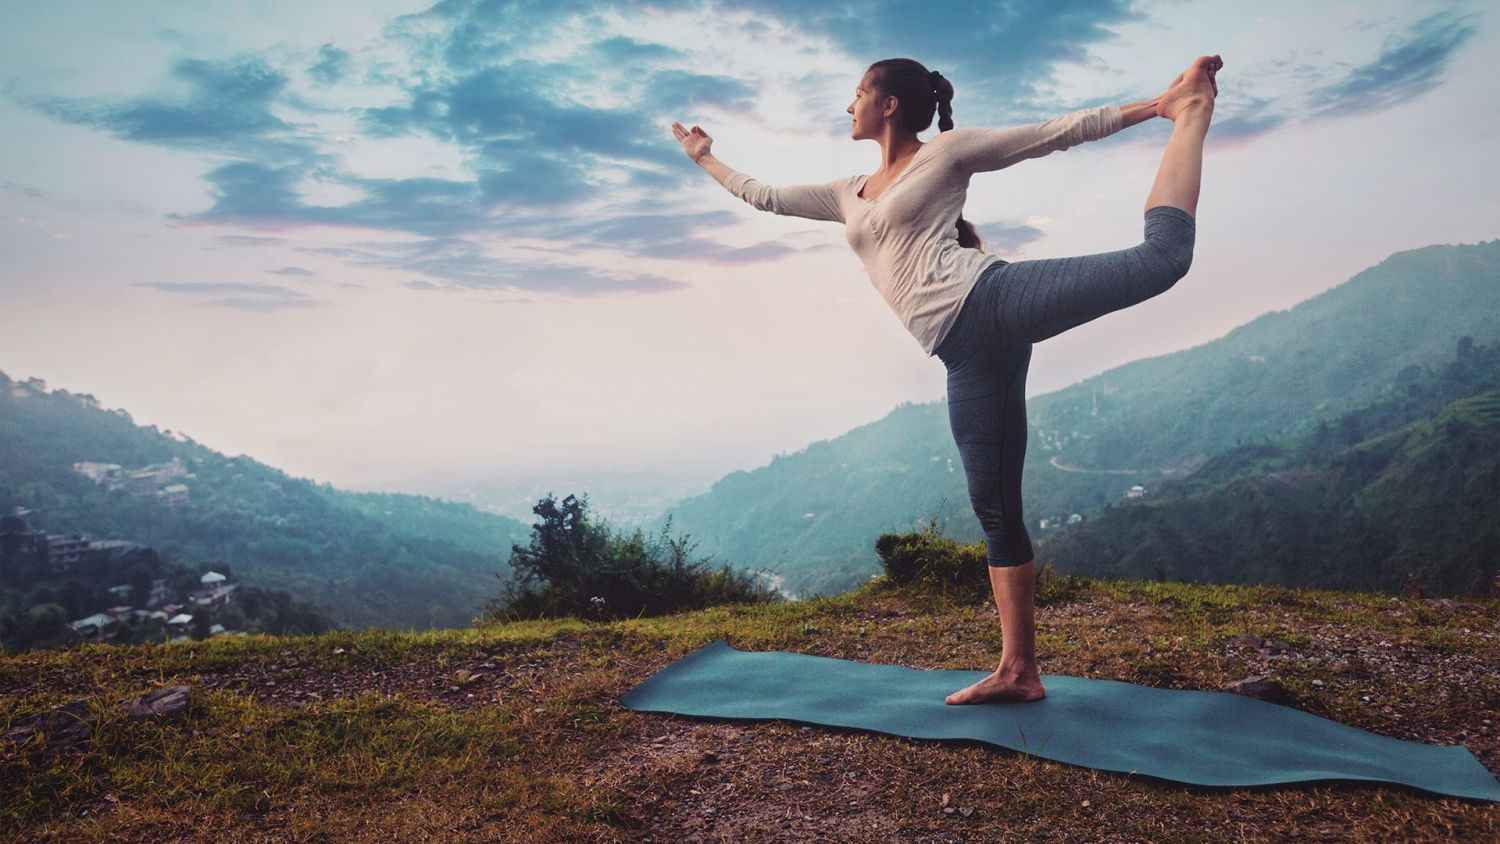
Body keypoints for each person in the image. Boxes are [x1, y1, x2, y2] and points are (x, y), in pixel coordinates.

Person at [672, 54, 1222, 705]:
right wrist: (704, 157)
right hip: (966, 354)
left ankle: (1189, 111)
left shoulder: (948, 154)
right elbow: (761, 195)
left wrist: (1155, 106)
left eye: (856, 95)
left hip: (991, 300)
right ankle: (1019, 671)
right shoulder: (847, 191)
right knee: (995, 508)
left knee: (1161, 259)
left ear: (889, 104)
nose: (848, 107)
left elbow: (1056, 132)